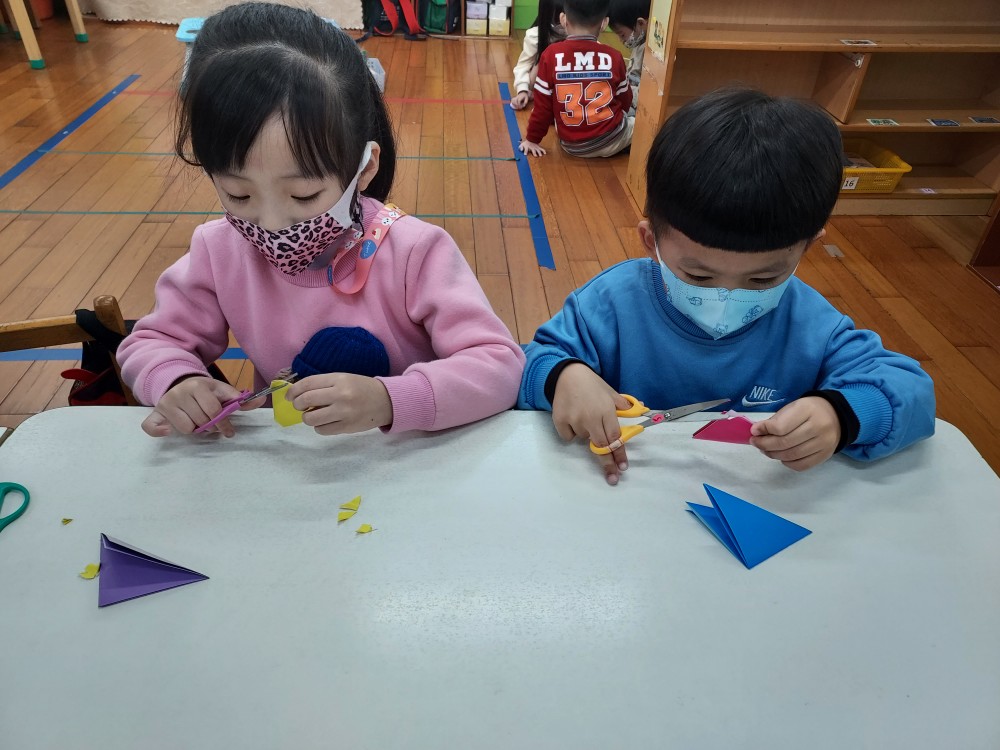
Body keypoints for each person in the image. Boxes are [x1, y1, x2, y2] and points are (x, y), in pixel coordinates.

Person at [118, 2, 525, 438]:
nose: (272, 223)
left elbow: (499, 366)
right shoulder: (219, 250)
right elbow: (153, 341)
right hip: (291, 461)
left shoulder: (416, 251)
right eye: (239, 193)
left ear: (364, 168)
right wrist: (177, 380)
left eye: (303, 195)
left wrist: (391, 399)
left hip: (406, 455)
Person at [517, 88, 935, 484]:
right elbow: (528, 362)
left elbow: (912, 390)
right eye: (699, 276)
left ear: (807, 247)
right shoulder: (610, 303)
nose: (726, 297)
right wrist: (562, 377)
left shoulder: (811, 325)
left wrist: (842, 415)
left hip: (760, 496)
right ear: (651, 241)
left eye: (762, 279)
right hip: (624, 493)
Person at [519, 0, 633, 158]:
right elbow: (625, 100)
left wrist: (532, 140)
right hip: (612, 138)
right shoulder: (614, 56)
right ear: (604, 23)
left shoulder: (550, 55)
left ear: (563, 19)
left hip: (572, 146)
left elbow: (542, 108)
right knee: (644, 122)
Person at [509, 0, 566, 111]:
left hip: (567, 84)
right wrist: (522, 90)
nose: (564, 23)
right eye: (559, 21)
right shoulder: (535, 35)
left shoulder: (578, 33)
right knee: (540, 61)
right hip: (544, 81)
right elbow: (523, 65)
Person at [608, 0, 647, 116]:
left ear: (640, 23)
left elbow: (643, 97)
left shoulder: (650, 52)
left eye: (622, 35)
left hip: (637, 109)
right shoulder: (639, 42)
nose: (621, 40)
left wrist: (618, 91)